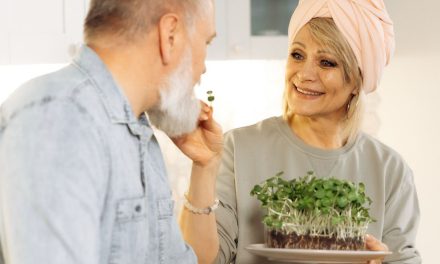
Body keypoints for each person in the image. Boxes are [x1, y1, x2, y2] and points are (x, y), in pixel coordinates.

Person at [180, 0, 421, 263]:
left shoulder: (390, 170)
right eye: (297, 54)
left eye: (327, 62)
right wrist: (202, 166)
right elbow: (200, 259)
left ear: (356, 81)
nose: (304, 73)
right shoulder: (237, 148)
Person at [0, 0, 223, 263]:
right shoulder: (58, 117)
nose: (203, 68)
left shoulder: (136, 130)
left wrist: (206, 166)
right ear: (170, 35)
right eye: (206, 43)